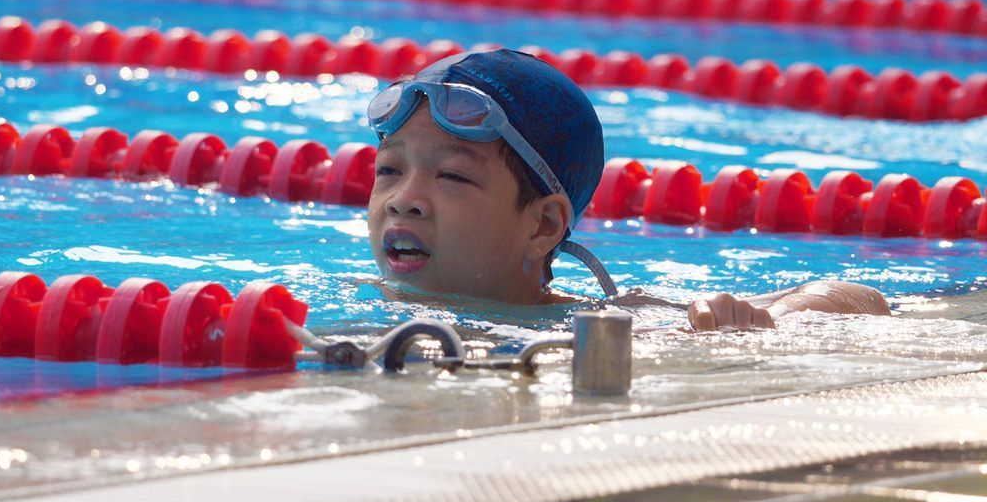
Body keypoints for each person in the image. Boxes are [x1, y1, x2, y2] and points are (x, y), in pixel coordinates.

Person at [365, 48, 890, 330]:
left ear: (543, 225)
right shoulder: (353, 303)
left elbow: (860, 296)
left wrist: (771, 316)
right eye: (389, 170)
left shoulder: (597, 324)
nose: (402, 198)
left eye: (453, 176)